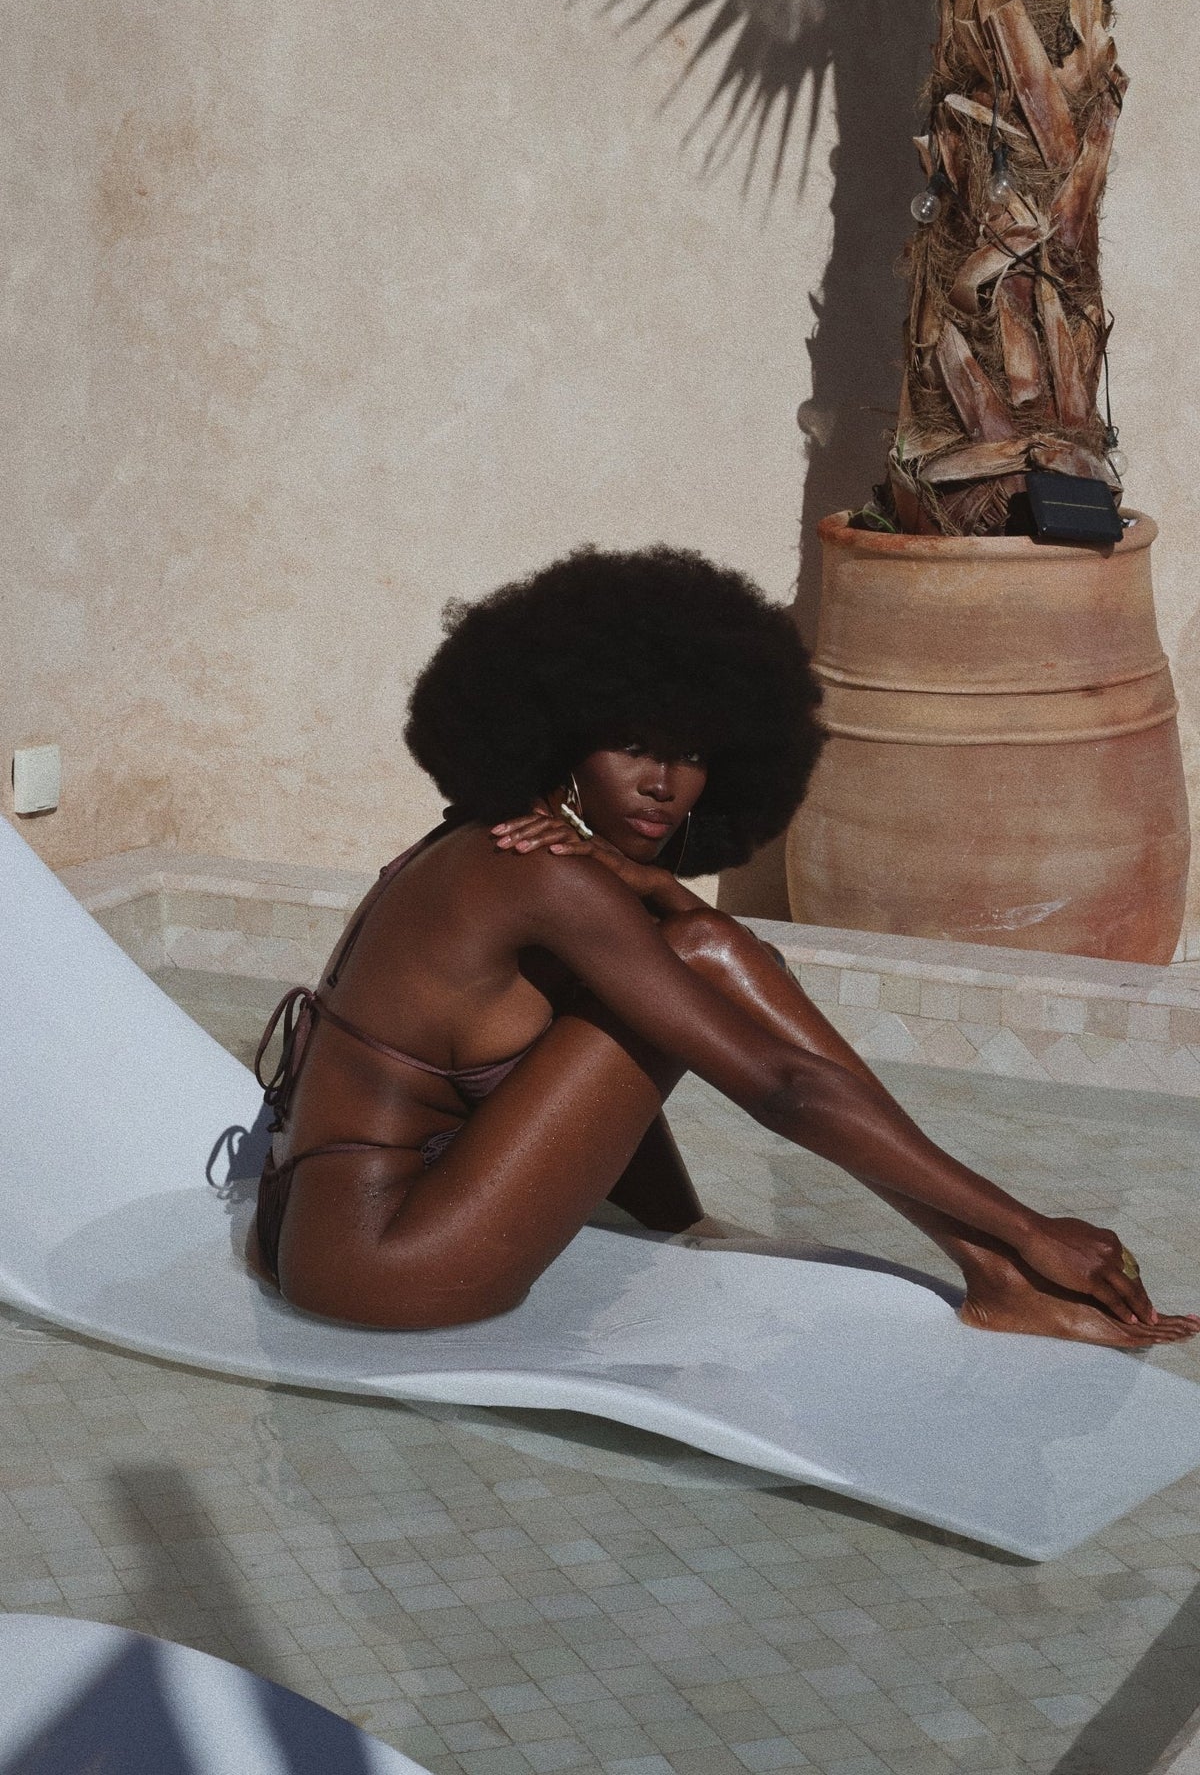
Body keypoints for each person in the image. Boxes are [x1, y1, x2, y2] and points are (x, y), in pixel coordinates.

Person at [250, 546, 1198, 1347]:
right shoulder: (544, 876)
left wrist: (661, 892)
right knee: (700, 956)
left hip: (328, 1227)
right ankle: (998, 1265)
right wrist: (1029, 1227)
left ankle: (982, 1267)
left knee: (696, 939)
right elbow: (780, 1087)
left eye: (694, 754)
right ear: (564, 739)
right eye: (632, 745)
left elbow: (622, 1025)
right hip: (385, 1266)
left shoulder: (492, 839)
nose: (664, 784)